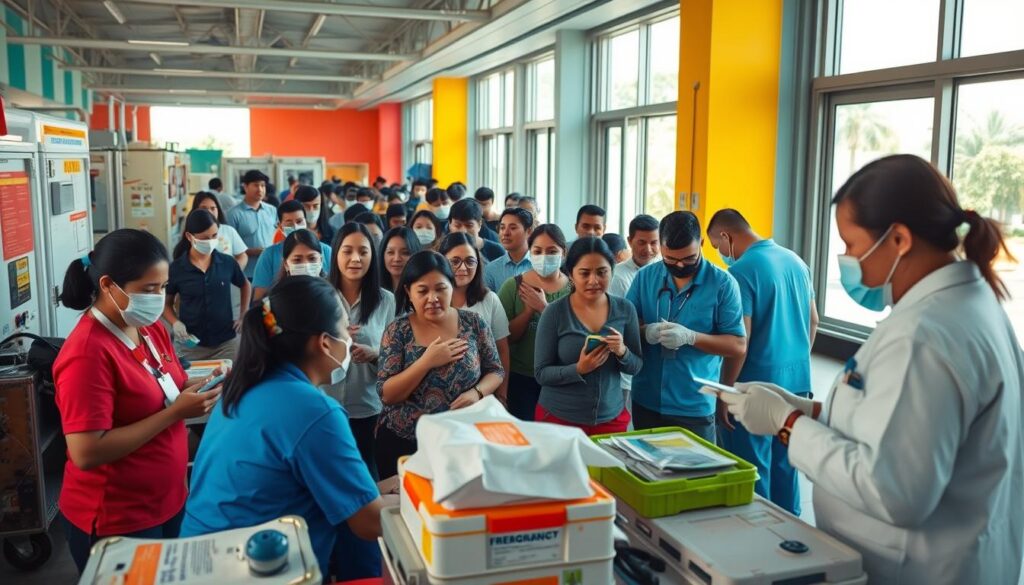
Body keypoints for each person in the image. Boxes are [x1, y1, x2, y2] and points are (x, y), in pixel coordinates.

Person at [713, 155, 1024, 584]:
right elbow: (895, 425)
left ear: (898, 239)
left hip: (916, 569)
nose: (846, 258)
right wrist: (809, 410)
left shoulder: (924, 335)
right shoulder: (967, 305)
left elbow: (894, 492)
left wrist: (787, 424)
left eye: (851, 244)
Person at [180, 276, 393, 582]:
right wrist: (430, 499)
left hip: (203, 560)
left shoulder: (244, 385)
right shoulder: (314, 411)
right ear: (324, 342)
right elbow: (368, 521)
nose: (350, 338)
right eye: (346, 329)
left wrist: (391, 486)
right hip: (252, 569)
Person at [53, 229, 222, 572]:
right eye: (148, 289)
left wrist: (206, 385)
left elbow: (164, 386)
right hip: (119, 517)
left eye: (162, 287)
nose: (159, 298)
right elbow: (87, 451)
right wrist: (174, 414)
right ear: (108, 286)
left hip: (168, 499)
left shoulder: (148, 328)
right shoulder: (87, 352)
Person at [706, 208, 817, 515]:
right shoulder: (796, 261)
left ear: (726, 237)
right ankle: (790, 533)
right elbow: (814, 321)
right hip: (798, 386)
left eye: (717, 247)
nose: (721, 256)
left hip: (754, 388)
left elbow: (741, 343)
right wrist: (795, 360)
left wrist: (725, 393)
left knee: (754, 469)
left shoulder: (741, 272)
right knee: (785, 464)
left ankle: (759, 533)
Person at [375, 251, 505, 478]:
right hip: (406, 442)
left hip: (462, 438)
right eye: (422, 291)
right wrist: (426, 362)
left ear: (451, 287)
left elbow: (496, 370)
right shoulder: (398, 331)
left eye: (440, 289)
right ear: (409, 292)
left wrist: (477, 392)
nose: (432, 298)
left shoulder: (473, 323)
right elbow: (387, 394)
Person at [625, 211, 746, 443]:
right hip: (646, 398)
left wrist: (691, 337)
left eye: (689, 258)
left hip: (693, 403)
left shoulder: (723, 284)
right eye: (671, 259)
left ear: (701, 243)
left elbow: (738, 345)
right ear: (660, 246)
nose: (680, 265)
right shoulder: (645, 277)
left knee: (695, 476)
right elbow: (625, 324)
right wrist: (645, 332)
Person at [534, 237, 642, 434]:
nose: (594, 281)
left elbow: (636, 366)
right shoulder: (555, 313)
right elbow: (541, 373)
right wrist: (579, 369)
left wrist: (622, 351)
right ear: (571, 275)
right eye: (584, 273)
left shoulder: (625, 309)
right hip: (559, 418)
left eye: (602, 272)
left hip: (611, 418)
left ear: (612, 270)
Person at [324, 223, 395, 481]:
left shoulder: (386, 299)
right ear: (336, 255)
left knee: (367, 477)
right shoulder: (320, 294)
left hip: (367, 407)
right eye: (347, 251)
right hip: (325, 403)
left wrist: (375, 353)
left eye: (363, 252)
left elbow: (394, 355)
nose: (355, 258)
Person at [497, 224, 572, 420]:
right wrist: (528, 311)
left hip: (560, 378)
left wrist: (543, 308)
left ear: (563, 253)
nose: (544, 257)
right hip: (520, 378)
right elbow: (504, 339)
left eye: (552, 251)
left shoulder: (573, 289)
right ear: (530, 252)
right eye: (537, 251)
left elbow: (574, 336)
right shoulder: (513, 286)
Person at [165, 210, 251, 361]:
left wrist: (243, 314)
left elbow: (245, 285)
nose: (211, 241)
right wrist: (175, 322)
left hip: (225, 343)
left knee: (227, 382)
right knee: (191, 382)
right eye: (204, 238)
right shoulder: (176, 269)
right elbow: (166, 303)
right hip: (190, 344)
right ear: (189, 237)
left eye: (214, 236)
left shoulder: (227, 262)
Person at [440, 233, 511, 402]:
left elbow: (502, 350)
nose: (463, 268)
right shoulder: (432, 301)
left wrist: (502, 395)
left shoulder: (489, 299)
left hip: (482, 393)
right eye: (455, 261)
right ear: (442, 262)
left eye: (470, 261)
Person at [252, 201, 332, 302]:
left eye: (299, 221)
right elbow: (259, 298)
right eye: (289, 223)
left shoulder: (326, 251)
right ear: (280, 226)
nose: (295, 226)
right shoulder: (269, 255)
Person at [227, 170, 276, 279]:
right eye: (256, 185)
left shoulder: (272, 210)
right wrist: (251, 251)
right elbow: (228, 246)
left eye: (263, 185)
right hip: (247, 274)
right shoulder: (234, 214)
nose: (260, 189)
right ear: (245, 187)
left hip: (271, 271)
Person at [191, 192, 249, 270]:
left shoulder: (228, 230)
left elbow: (242, 255)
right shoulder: (191, 232)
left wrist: (233, 272)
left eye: (213, 208)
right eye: (204, 208)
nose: (209, 212)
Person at [607, 215, 660, 297]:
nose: (648, 249)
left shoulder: (667, 272)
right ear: (629, 241)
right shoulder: (617, 276)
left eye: (653, 243)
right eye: (642, 243)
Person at [484, 207, 534, 292]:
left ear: (529, 231)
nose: (505, 233)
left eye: (513, 228)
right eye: (502, 228)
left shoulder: (539, 265)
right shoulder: (491, 269)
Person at [381, 226, 422, 295]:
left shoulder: (421, 291)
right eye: (391, 252)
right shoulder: (374, 290)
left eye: (405, 253)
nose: (397, 259)